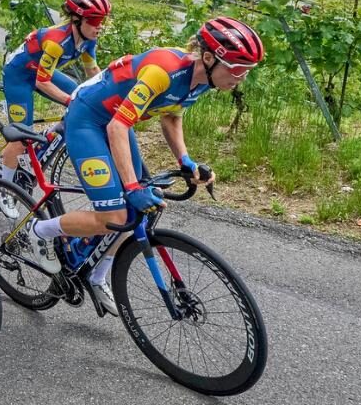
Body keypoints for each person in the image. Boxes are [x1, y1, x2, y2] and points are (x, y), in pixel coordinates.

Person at [18, 17, 263, 315]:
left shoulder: (201, 82)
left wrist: (186, 161)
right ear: (209, 58)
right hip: (88, 120)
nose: (241, 78)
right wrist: (132, 187)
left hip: (115, 123)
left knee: (141, 212)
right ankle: (39, 230)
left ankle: (97, 274)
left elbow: (171, 116)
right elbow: (117, 128)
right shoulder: (163, 72)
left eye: (247, 71)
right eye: (238, 69)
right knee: (114, 215)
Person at [0, 0, 109, 181]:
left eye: (102, 21)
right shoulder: (57, 43)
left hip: (39, 71)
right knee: (22, 139)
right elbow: (42, 82)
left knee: (79, 93)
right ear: (77, 20)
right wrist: (70, 102)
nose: (99, 26)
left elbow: (92, 71)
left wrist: (109, 94)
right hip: (18, 76)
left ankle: (46, 141)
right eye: (95, 21)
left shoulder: (88, 39)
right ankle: (3, 187)